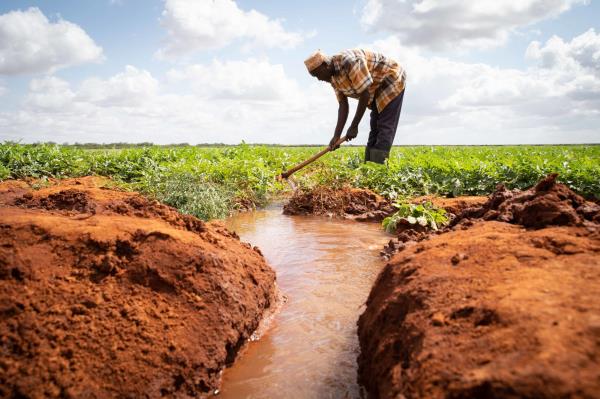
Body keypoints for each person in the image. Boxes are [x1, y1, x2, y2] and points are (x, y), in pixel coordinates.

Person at [304, 49, 406, 164]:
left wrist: (354, 126)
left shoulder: (349, 61)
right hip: (375, 89)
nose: (319, 79)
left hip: (391, 78)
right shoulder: (333, 78)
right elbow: (343, 105)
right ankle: (369, 166)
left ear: (325, 65)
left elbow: (365, 94)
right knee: (375, 128)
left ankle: (378, 167)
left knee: (384, 126)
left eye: (318, 74)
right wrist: (336, 136)